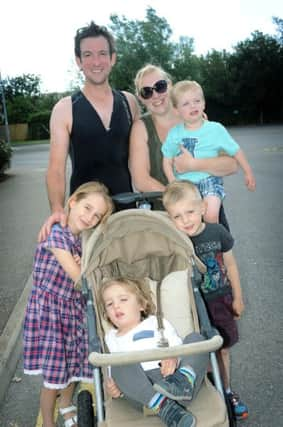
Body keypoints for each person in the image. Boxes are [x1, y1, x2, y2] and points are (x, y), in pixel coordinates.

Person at [39, 21, 140, 241]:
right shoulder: (65, 109)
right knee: (88, 275)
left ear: (112, 58)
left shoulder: (129, 102)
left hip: (127, 210)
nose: (96, 61)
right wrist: (57, 209)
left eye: (102, 53)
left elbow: (145, 149)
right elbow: (55, 170)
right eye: (88, 55)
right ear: (79, 61)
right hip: (85, 218)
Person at [23, 181, 114, 427]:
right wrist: (83, 266)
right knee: (54, 376)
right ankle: (49, 422)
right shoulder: (57, 236)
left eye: (97, 216)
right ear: (72, 202)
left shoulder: (79, 240)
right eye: (87, 208)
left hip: (71, 309)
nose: (90, 217)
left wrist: (83, 261)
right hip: (51, 313)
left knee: (72, 362)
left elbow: (82, 273)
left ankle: (66, 405)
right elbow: (79, 278)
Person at [163, 180, 249, 420]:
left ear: (202, 207)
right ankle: (209, 390)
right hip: (191, 306)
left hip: (220, 300)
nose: (186, 220)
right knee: (199, 351)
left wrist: (238, 298)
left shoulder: (217, 232)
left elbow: (231, 264)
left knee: (222, 350)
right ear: (171, 220)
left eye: (190, 212)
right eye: (177, 216)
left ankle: (227, 390)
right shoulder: (177, 242)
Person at [129, 64, 239, 229]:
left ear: (170, 85)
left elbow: (231, 165)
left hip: (206, 211)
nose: (155, 95)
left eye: (160, 86)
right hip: (166, 217)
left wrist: (195, 165)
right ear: (140, 98)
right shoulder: (141, 128)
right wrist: (181, 202)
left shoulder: (196, 119)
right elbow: (141, 180)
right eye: (147, 91)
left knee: (220, 253)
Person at [99, 277, 209, 427]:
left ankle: (184, 380)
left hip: (174, 381)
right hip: (143, 394)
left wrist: (173, 356)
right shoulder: (111, 337)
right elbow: (116, 371)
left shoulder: (156, 323)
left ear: (141, 305)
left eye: (123, 299)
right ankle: (164, 407)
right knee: (118, 363)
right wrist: (115, 388)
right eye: (109, 304)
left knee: (196, 339)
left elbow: (177, 343)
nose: (116, 306)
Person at [162, 80, 256, 223]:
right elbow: (167, 160)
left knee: (210, 215)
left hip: (209, 180)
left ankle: (213, 244)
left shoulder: (215, 129)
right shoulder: (175, 133)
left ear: (204, 103)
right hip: (184, 184)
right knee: (187, 221)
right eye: (186, 103)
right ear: (176, 110)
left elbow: (235, 150)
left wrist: (248, 171)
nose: (192, 106)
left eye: (196, 101)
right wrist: (173, 183)